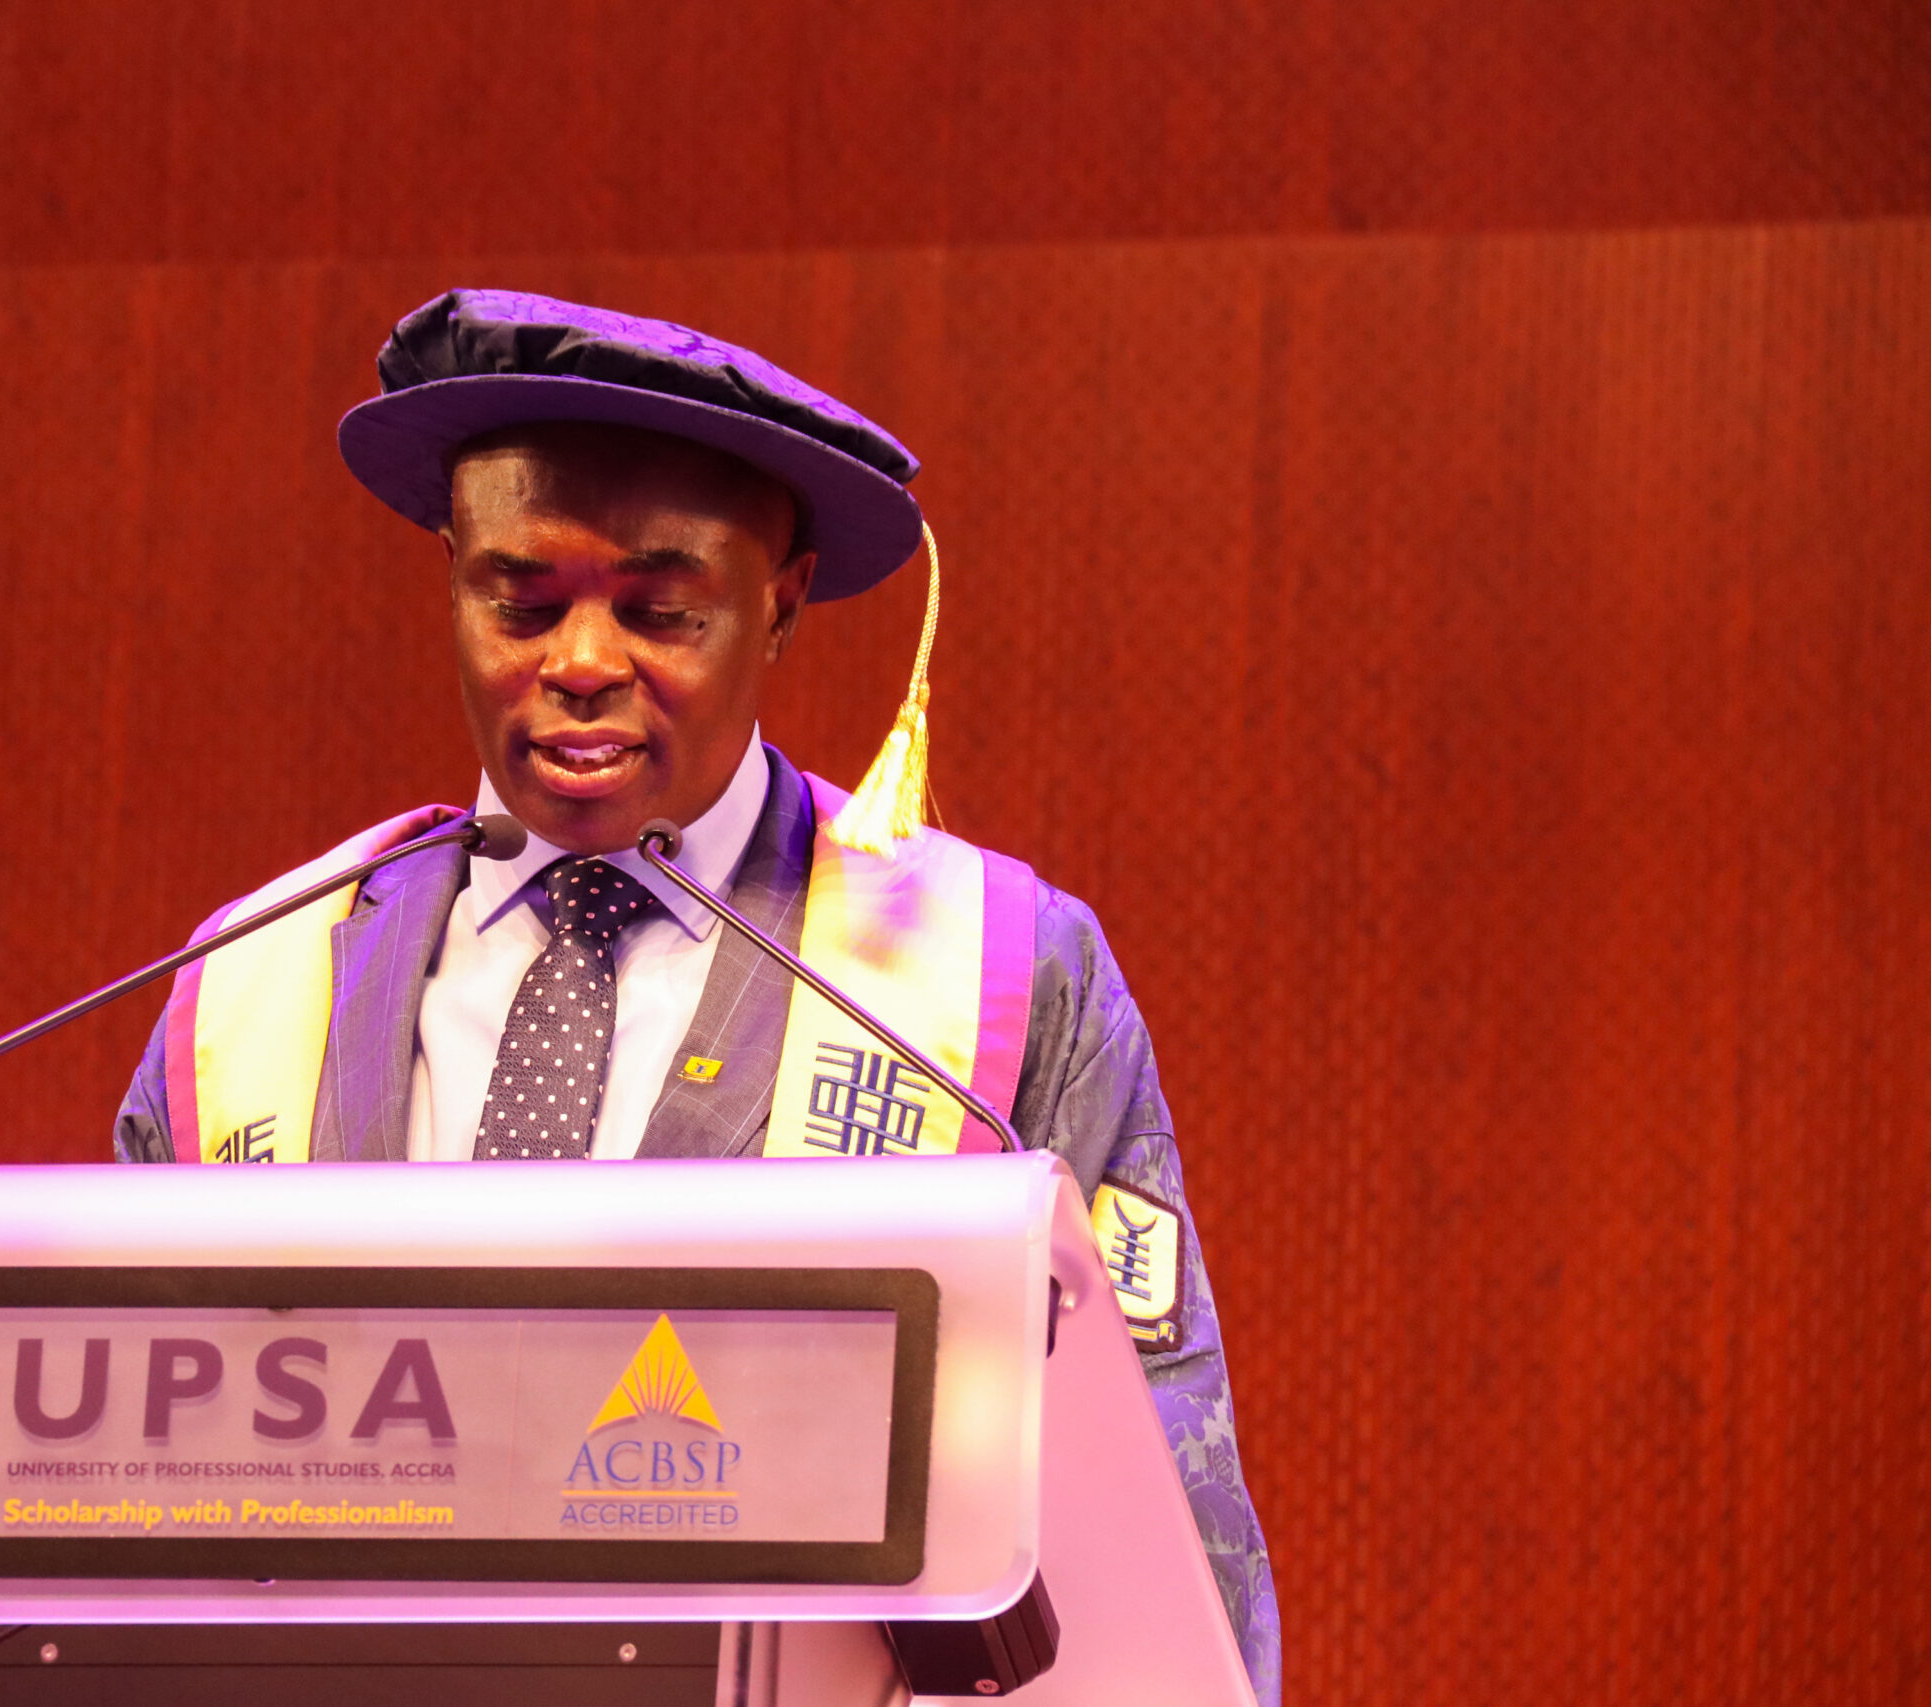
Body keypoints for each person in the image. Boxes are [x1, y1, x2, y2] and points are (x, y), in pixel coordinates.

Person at [114, 288, 1279, 1700]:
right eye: (519, 602)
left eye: (661, 610)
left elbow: (1154, 1512)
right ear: (450, 573)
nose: (580, 664)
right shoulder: (257, 978)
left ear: (780, 603)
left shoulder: (994, 969)